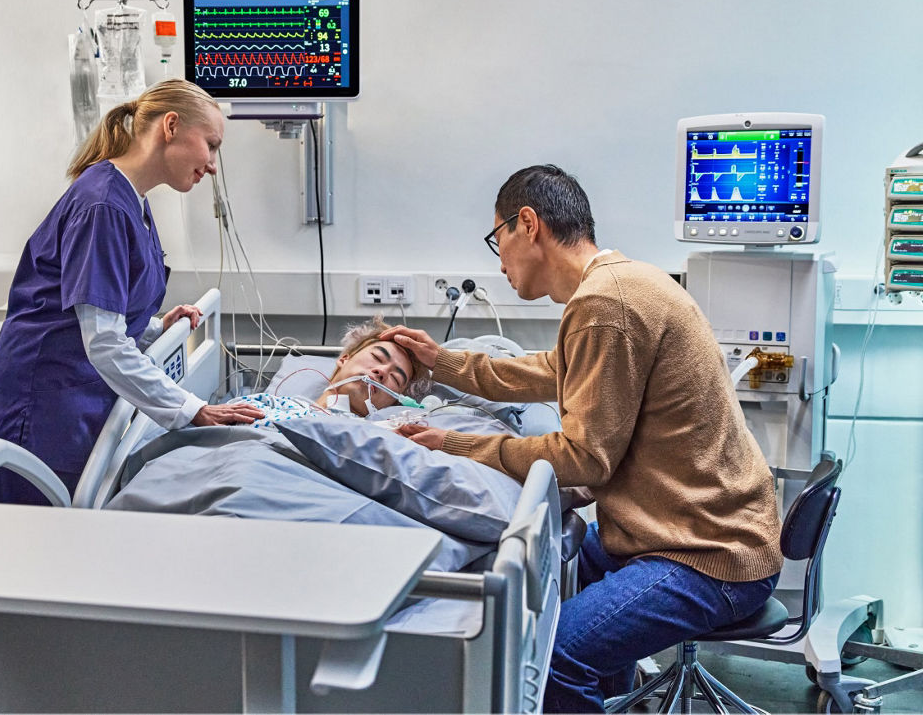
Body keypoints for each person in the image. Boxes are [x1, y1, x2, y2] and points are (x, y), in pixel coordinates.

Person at [380, 165, 782, 713]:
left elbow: (583, 459)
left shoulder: (605, 306)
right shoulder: (623, 280)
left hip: (705, 554)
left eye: (497, 238)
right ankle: (614, 696)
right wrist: (443, 363)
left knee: (559, 654)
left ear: (528, 224)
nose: (498, 260)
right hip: (683, 529)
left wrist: (453, 444)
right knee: (554, 561)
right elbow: (549, 370)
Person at [0, 80, 263, 506]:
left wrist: (157, 326)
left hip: (74, 402)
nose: (213, 165)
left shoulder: (132, 201)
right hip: (37, 415)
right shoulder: (103, 205)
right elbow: (104, 340)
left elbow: (98, 313)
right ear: (171, 126)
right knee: (30, 558)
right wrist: (192, 409)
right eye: (211, 144)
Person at [235, 316, 431, 428]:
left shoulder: (375, 434)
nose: (381, 371)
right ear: (345, 359)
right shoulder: (270, 404)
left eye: (396, 378)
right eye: (378, 357)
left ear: (394, 401)